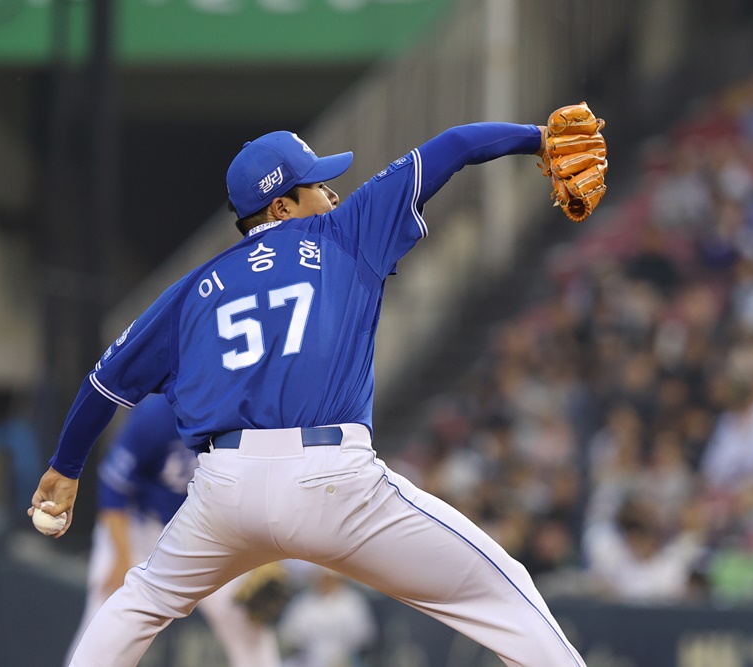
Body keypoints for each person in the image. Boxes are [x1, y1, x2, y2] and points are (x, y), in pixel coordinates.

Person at [30, 116, 588, 666]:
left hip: (225, 490)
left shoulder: (194, 289)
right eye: (318, 185)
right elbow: (457, 144)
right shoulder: (347, 232)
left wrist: (65, 466)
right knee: (503, 590)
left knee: (139, 602)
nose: (332, 192)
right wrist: (535, 138)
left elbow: (105, 382)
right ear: (281, 206)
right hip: (333, 483)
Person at [64, 393, 282, 666]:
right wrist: (122, 557)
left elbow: (256, 488)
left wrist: (262, 555)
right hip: (139, 527)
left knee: (244, 615)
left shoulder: (239, 413)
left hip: (205, 529)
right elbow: (113, 491)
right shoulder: (155, 416)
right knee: (105, 613)